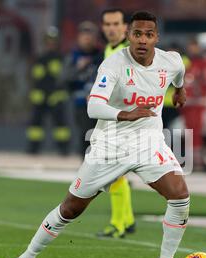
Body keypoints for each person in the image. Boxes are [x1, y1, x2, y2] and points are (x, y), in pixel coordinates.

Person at [0, 11, 189, 258]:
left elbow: (180, 70)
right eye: (137, 34)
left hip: (149, 142)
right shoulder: (113, 64)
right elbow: (93, 106)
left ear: (156, 38)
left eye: (149, 34)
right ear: (129, 36)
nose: (143, 40)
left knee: (180, 195)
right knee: (71, 209)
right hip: (110, 144)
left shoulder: (169, 61)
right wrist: (127, 114)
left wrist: (179, 90)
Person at [95, 8, 136, 239]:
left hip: (127, 121)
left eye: (116, 24)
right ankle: (127, 220)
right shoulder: (109, 49)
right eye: (107, 24)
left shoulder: (129, 52)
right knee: (119, 173)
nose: (111, 28)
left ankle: (117, 225)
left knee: (115, 173)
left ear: (124, 27)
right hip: (114, 119)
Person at [26, 27, 71, 155]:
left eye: (53, 40)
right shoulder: (39, 58)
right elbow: (33, 78)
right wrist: (34, 93)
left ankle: (64, 150)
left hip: (56, 96)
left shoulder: (62, 58)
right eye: (48, 40)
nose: (50, 43)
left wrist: (59, 94)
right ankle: (33, 149)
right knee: (36, 125)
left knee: (61, 125)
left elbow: (65, 78)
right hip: (40, 97)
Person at [62, 21, 103, 156]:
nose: (87, 38)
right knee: (85, 134)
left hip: (101, 102)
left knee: (101, 136)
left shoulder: (101, 56)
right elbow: (64, 79)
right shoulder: (72, 56)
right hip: (80, 103)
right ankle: (85, 164)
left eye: (90, 35)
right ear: (78, 37)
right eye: (84, 35)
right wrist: (77, 69)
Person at [182, 39, 206, 170]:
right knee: (188, 132)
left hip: (199, 103)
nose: (192, 49)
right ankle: (191, 160)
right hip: (188, 104)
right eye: (190, 46)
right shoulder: (188, 62)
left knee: (196, 132)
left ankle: (197, 160)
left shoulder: (204, 63)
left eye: (194, 46)